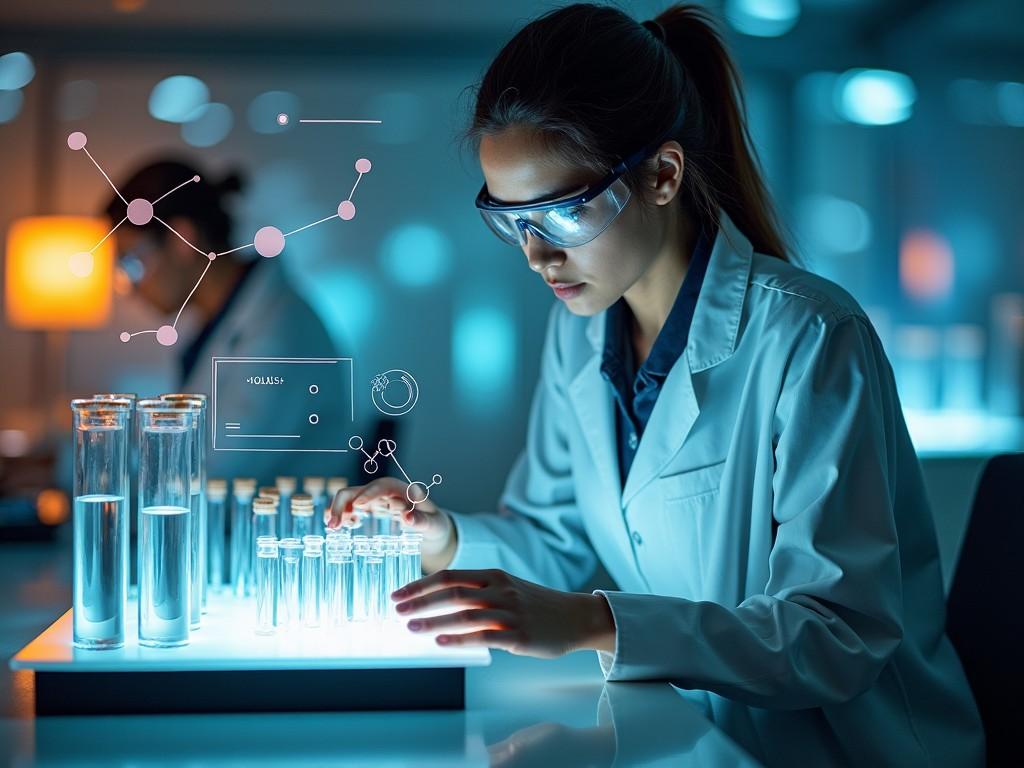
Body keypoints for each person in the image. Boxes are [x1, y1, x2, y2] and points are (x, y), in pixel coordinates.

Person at [327, 5, 984, 764]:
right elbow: (552, 539)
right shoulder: (578, 330)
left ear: (663, 175)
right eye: (512, 221)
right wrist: (443, 536)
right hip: (698, 735)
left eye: (564, 213)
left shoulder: (809, 334)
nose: (537, 257)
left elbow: (836, 634)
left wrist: (596, 623)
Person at [106, 160, 346, 480]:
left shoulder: (281, 331)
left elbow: (214, 468)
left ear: (182, 239)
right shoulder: (222, 323)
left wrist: (92, 459)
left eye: (131, 263)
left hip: (287, 524)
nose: (129, 287)